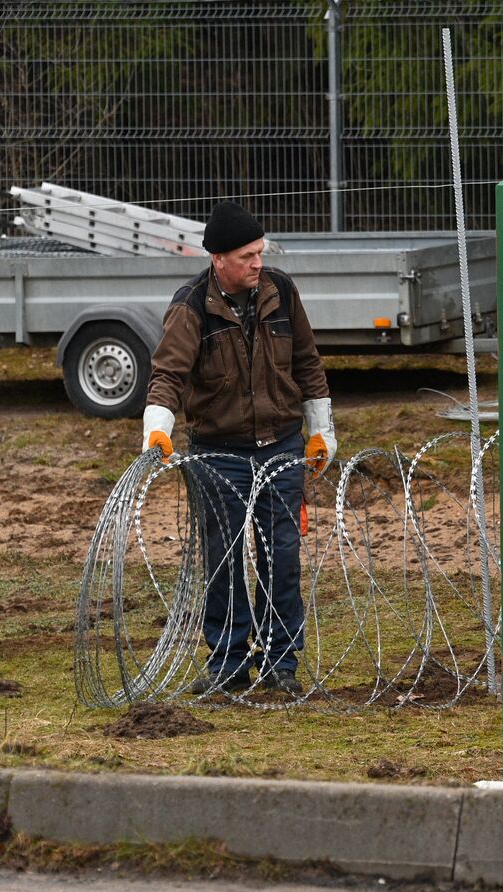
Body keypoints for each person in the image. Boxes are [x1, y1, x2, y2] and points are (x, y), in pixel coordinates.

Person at [142, 200, 336, 698]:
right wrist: (157, 430)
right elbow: (168, 375)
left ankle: (281, 664)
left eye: (260, 252)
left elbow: (307, 362)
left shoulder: (281, 291)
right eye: (247, 255)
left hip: (283, 446)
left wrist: (321, 429)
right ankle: (228, 663)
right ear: (219, 260)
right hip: (218, 452)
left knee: (283, 555)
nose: (258, 263)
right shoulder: (191, 307)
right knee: (224, 559)